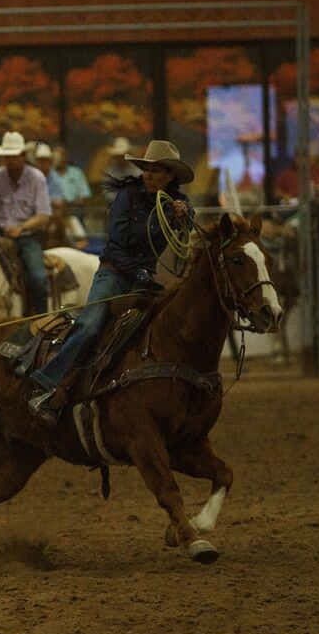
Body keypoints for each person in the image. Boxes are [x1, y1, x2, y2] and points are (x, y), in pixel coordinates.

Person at [27, 140, 194, 424]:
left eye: (159, 171)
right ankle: (45, 382)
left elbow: (189, 225)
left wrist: (185, 215)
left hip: (144, 278)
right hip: (114, 273)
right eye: (148, 170)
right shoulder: (127, 197)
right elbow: (116, 245)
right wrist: (139, 273)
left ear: (170, 177)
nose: (151, 176)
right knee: (91, 325)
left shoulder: (176, 205)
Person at [0, 131, 51, 315]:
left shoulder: (37, 178)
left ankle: (40, 318)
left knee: (38, 277)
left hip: (27, 237)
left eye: (13, 156)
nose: (9, 160)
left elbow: (44, 215)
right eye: (6, 156)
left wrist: (21, 228)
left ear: (23, 156)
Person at [102, 136, 142, 203]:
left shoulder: (138, 171)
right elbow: (107, 194)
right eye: (118, 156)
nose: (120, 158)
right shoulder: (109, 172)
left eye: (122, 155)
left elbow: (140, 192)